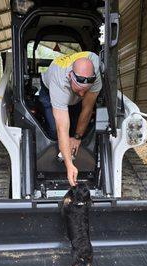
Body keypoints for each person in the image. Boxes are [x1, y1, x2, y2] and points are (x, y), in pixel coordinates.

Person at [39, 51, 102, 186]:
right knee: (55, 131)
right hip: (49, 89)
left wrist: (77, 137)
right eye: (79, 90)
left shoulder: (96, 69)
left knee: (74, 128)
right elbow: (62, 128)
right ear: (70, 76)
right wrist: (70, 166)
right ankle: (56, 160)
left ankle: (70, 148)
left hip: (73, 90)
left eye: (85, 91)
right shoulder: (59, 82)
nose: (81, 94)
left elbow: (87, 107)